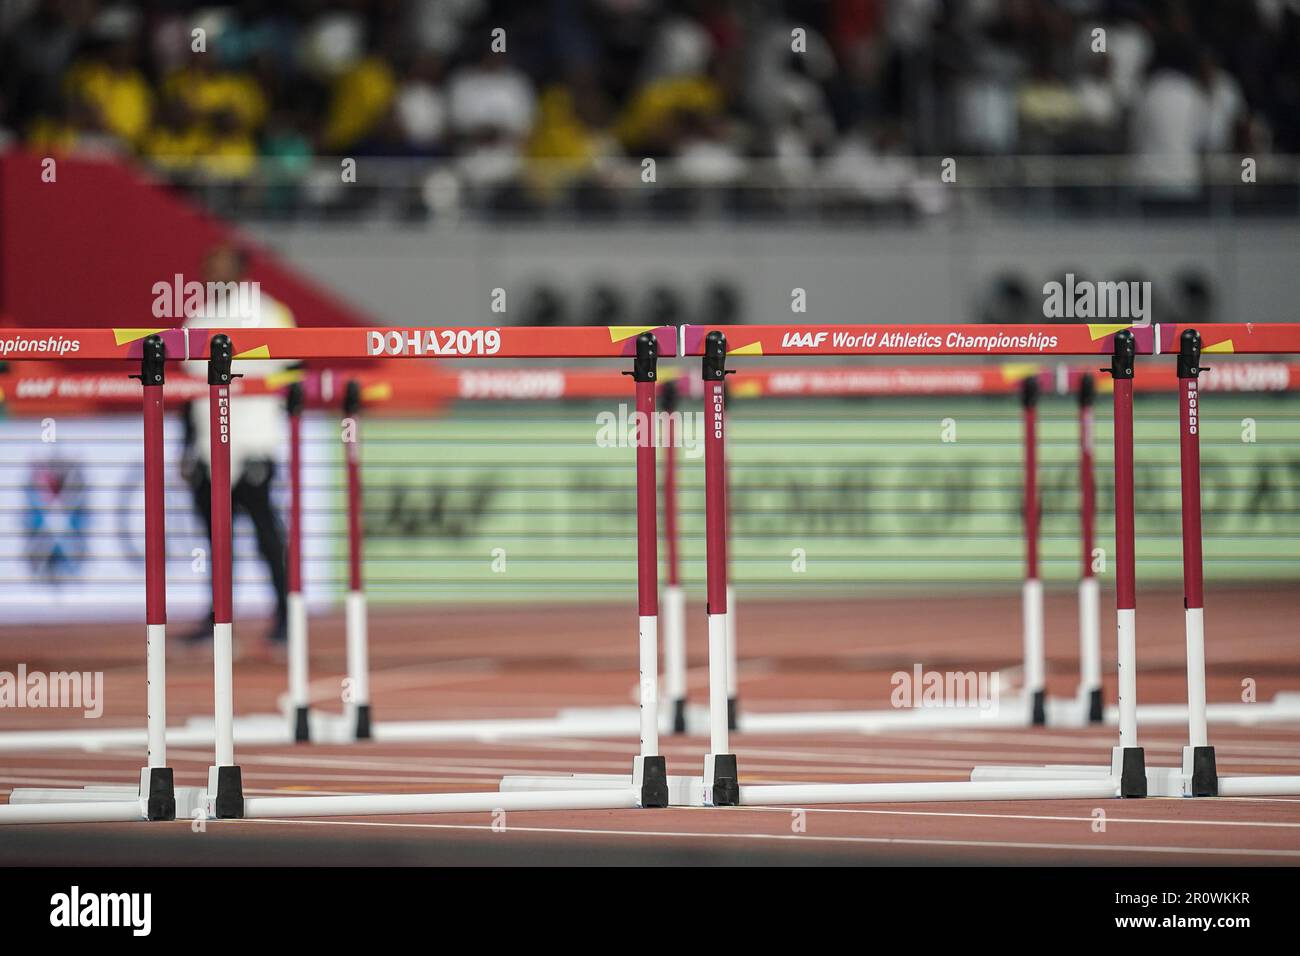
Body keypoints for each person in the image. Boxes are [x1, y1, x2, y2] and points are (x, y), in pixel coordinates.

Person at [181, 242, 295, 650]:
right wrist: (188, 447)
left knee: (267, 531)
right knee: (216, 538)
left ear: (242, 269)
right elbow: (187, 391)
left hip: (254, 441)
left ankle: (285, 616)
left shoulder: (270, 313)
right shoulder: (197, 317)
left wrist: (272, 434)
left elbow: (294, 373)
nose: (212, 269)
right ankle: (219, 617)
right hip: (209, 448)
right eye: (208, 262)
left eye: (221, 263)